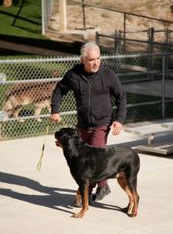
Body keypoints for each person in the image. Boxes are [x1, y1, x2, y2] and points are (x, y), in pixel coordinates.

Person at [50, 42, 127, 203]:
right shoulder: (73, 75)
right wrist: (55, 110)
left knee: (92, 160)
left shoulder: (108, 75)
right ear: (82, 60)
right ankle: (103, 186)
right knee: (80, 159)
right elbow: (59, 90)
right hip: (82, 125)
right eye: (91, 59)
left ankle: (83, 193)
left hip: (101, 124)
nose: (96, 62)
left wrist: (119, 121)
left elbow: (121, 96)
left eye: (98, 58)